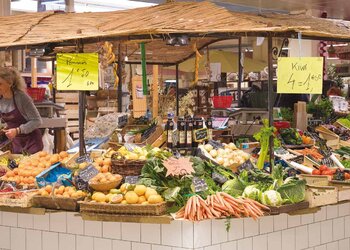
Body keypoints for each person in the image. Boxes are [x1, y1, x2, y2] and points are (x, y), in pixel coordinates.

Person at [0, 67, 43, 154]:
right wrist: (4, 127)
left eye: (0, 84)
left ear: (10, 83)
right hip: (17, 143)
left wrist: (17, 130)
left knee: (30, 167)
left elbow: (37, 121)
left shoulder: (21, 98)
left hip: (32, 142)